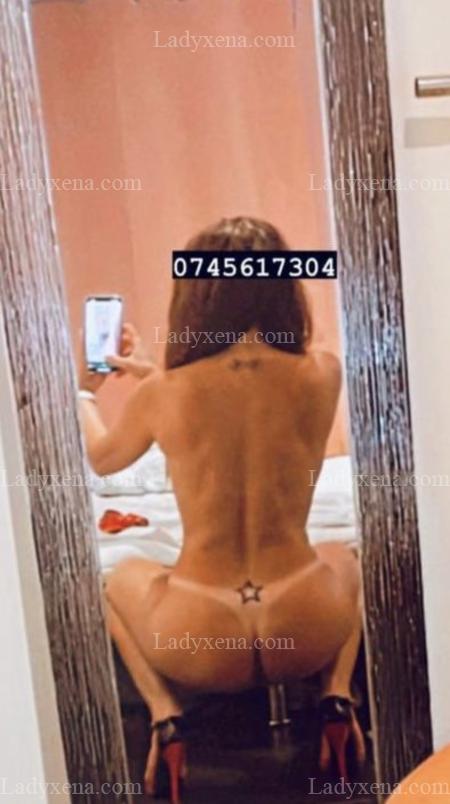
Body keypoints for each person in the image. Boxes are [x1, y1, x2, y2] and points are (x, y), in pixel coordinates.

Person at [79, 217, 364, 804]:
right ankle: (337, 697)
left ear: (197, 297)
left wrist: (86, 390)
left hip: (199, 636)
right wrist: (156, 377)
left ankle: (166, 717)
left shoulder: (163, 394)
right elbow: (245, 394)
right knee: (346, 557)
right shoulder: (323, 373)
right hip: (302, 625)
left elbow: (102, 460)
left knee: (115, 576)